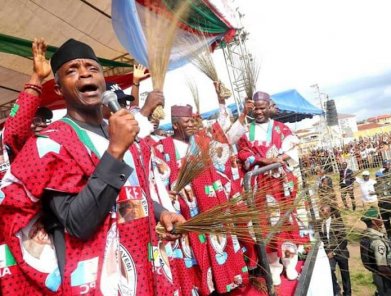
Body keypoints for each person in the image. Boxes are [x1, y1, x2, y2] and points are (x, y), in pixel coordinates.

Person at [0, 38, 185, 295]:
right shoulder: (53, 143)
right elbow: (78, 223)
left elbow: (128, 196)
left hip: (142, 270)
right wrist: (115, 152)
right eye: (72, 70)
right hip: (96, 280)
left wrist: (161, 212)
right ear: (59, 88)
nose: (85, 73)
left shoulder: (120, 131)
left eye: (92, 68)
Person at [158, 104, 249, 295]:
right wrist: (166, 195)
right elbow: (158, 179)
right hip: (185, 213)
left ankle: (224, 282)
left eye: (192, 120)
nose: (192, 124)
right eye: (187, 121)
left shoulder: (203, 142)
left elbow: (223, 156)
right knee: (194, 254)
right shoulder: (162, 148)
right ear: (175, 125)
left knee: (218, 247)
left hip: (211, 206)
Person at [237, 91, 306, 284]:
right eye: (256, 108)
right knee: (266, 226)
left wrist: (278, 159)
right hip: (260, 186)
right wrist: (261, 159)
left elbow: (293, 150)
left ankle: (290, 262)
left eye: (262, 108)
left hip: (281, 184)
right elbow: (243, 153)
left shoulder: (282, 128)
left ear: (269, 107)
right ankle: (274, 267)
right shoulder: (246, 131)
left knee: (286, 222)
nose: (259, 112)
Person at [1, 39, 54, 180]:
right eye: (35, 119)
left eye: (44, 120)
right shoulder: (16, 148)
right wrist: (36, 78)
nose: (41, 123)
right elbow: (13, 122)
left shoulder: (55, 146)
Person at [360, 207, 391, 296]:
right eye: (379, 217)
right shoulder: (377, 241)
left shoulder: (366, 235)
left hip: (377, 275)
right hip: (386, 279)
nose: (381, 219)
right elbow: (382, 267)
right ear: (374, 221)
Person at [319, 205, 351, 296]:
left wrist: (334, 252)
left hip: (341, 253)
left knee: (345, 275)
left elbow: (344, 241)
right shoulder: (321, 224)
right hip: (329, 254)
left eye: (322, 209)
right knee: (329, 270)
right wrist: (328, 251)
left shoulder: (337, 223)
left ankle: (347, 293)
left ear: (329, 212)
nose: (320, 212)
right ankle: (337, 290)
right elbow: (324, 240)